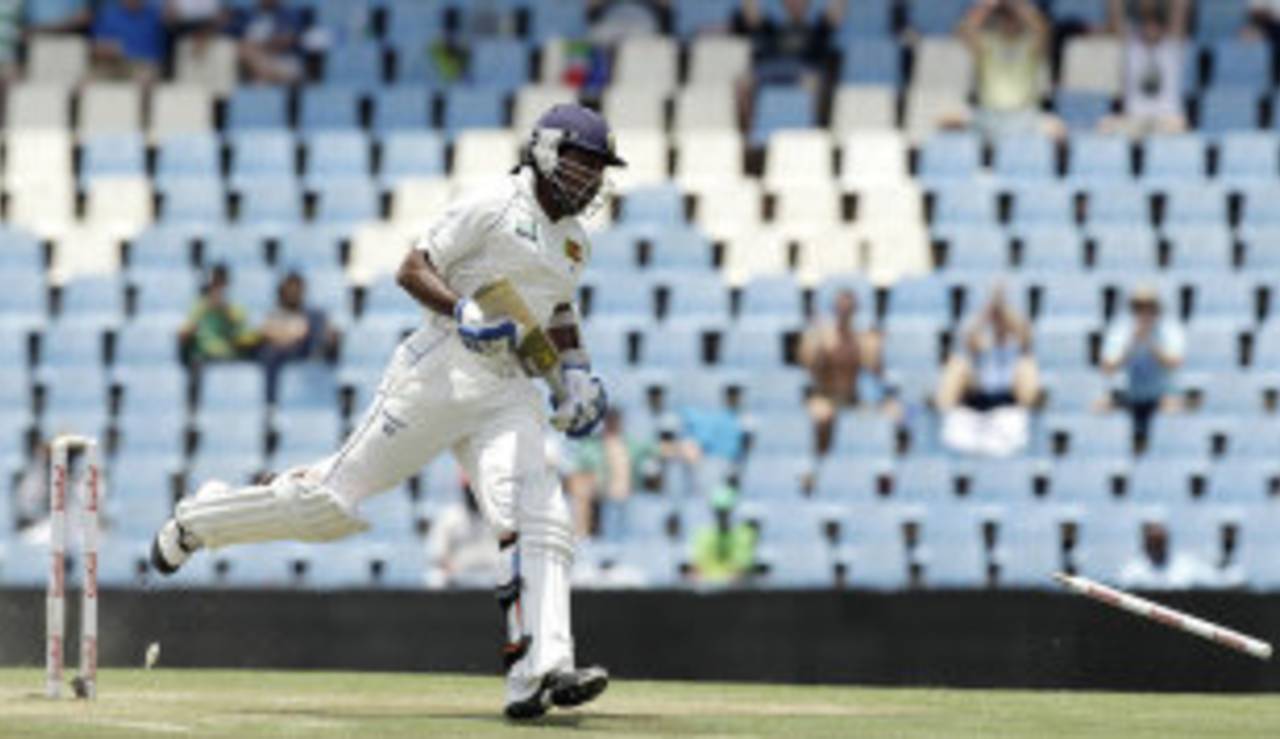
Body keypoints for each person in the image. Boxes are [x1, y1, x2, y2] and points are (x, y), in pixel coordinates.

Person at [149, 103, 627, 720]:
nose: (589, 178)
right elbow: (412, 267)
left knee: (541, 512)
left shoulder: (574, 241)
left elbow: (557, 311)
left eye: (598, 168)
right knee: (328, 504)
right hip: (441, 371)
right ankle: (202, 518)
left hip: (508, 389)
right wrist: (464, 311)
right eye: (580, 162)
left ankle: (541, 671)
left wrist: (576, 374)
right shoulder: (494, 203)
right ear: (543, 150)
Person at [937, 284, 1039, 457]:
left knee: (1027, 367)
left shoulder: (1017, 349)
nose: (998, 323)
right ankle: (942, 413)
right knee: (957, 365)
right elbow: (968, 338)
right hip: (977, 399)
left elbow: (1024, 334)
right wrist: (988, 310)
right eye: (995, 319)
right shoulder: (982, 344)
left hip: (1007, 401)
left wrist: (1002, 306)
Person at [797, 288, 890, 456]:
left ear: (855, 311)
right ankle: (819, 463)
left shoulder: (862, 340)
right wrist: (817, 344)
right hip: (824, 396)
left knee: (889, 413)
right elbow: (807, 364)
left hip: (853, 398)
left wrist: (875, 348)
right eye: (841, 308)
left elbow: (877, 372)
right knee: (821, 413)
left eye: (848, 309)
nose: (844, 313)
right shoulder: (821, 336)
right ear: (834, 310)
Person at [956, 0, 1064, 141]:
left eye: (1013, 18)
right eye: (1005, 18)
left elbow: (1042, 28)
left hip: (1025, 115)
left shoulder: (1030, 44)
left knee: (1057, 130)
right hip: (989, 114)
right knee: (949, 123)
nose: (1009, 22)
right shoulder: (987, 43)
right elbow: (965, 30)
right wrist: (988, 5)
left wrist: (1015, 4)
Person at [1097, 285, 1184, 447]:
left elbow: (1174, 364)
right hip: (1128, 394)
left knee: (1173, 409)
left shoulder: (1169, 330)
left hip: (1159, 395)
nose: (1144, 313)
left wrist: (1150, 344)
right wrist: (1131, 345)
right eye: (1139, 308)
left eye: (1149, 308)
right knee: (1100, 407)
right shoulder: (1121, 330)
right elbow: (1107, 368)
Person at [563, 408, 656, 539]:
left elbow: (655, 449)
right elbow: (577, 470)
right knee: (580, 486)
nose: (613, 424)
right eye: (609, 420)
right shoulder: (590, 445)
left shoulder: (631, 444)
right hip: (600, 498)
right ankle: (583, 533)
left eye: (616, 420)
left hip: (626, 497)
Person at [1100, 0, 1189, 135]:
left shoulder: (1172, 49)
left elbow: (1180, 10)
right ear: (1140, 28)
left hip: (1167, 118)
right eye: (1146, 26)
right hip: (1134, 118)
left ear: (1163, 29)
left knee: (1180, 124)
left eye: (1154, 26)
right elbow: (1115, 17)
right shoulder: (1131, 49)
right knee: (1104, 125)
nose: (1150, 30)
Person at [257, 271, 339, 402]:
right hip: (285, 350)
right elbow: (268, 332)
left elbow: (303, 331)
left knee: (319, 320)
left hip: (304, 346)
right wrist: (286, 336)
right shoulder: (275, 313)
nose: (293, 293)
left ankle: (321, 352)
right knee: (269, 353)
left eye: (297, 289)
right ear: (283, 291)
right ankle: (270, 402)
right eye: (290, 289)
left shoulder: (313, 314)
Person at [178, 263, 258, 365]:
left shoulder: (235, 306)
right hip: (205, 353)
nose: (218, 286)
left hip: (230, 352)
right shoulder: (200, 305)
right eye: (215, 282)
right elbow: (186, 330)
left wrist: (224, 309)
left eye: (221, 281)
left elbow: (243, 331)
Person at [426, 485, 500, 588]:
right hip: (458, 576)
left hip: (492, 576)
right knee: (435, 577)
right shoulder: (449, 517)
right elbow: (438, 556)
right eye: (470, 491)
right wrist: (448, 567)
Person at [688, 483, 757, 586]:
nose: (722, 515)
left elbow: (741, 571)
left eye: (725, 511)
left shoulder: (745, 535)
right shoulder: (701, 535)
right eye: (719, 511)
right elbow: (696, 570)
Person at [1118, 521, 1219, 590]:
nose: (1157, 546)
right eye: (1153, 542)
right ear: (1146, 543)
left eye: (1160, 542)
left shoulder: (1187, 566)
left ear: (1167, 541)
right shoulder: (1132, 571)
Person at [227, 0, 308, 84]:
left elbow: (286, 41)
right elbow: (233, 39)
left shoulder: (289, 14)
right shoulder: (247, 14)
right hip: (252, 65)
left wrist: (257, 47)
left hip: (283, 61)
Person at [90, 0, 169, 83]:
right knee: (87, 81)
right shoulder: (107, 14)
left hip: (145, 64)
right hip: (113, 64)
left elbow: (174, 28)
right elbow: (96, 46)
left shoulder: (156, 14)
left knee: (145, 78)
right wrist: (106, 49)